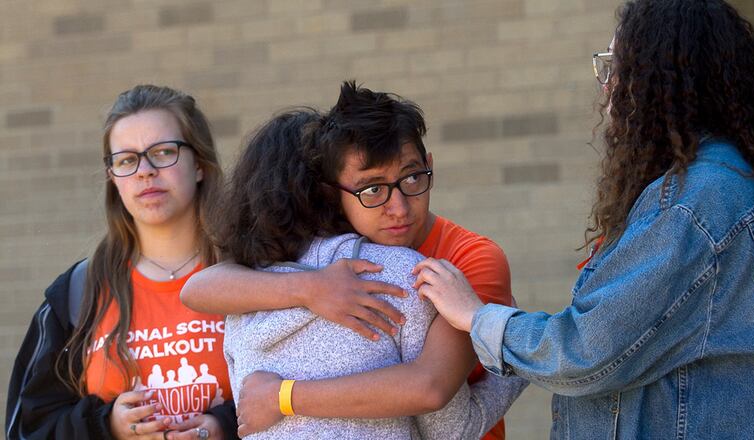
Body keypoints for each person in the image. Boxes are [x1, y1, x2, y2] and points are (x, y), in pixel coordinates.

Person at [412, 0, 754, 438]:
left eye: (615, 66)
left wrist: (476, 316)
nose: (606, 86)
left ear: (659, 78)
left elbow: (587, 351)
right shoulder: (718, 184)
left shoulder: (695, 203)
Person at [181, 82, 523, 439]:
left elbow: (431, 386)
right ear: (330, 192)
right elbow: (197, 289)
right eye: (372, 190)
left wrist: (283, 396)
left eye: (411, 179)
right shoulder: (322, 275)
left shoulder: (467, 260)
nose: (399, 209)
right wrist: (310, 288)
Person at [6, 85, 238, 440]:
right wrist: (106, 425)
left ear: (200, 166)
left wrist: (225, 425)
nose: (145, 171)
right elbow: (28, 428)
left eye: (164, 152)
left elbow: (299, 397)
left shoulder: (251, 275)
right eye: (127, 159)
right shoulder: (77, 293)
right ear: (113, 178)